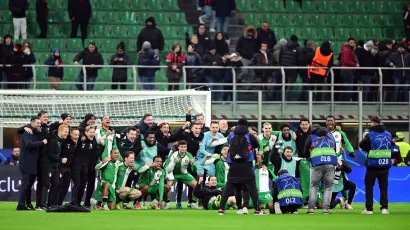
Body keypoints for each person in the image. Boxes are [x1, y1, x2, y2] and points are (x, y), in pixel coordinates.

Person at [218, 118, 268, 215]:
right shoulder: (249, 135)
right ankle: (257, 209)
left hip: (233, 165)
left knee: (230, 188)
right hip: (246, 165)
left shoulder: (231, 135)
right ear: (246, 126)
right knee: (252, 189)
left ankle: (222, 209)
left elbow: (229, 143)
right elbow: (256, 145)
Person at [17, 110, 50, 210]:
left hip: (32, 163)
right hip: (27, 163)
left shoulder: (36, 133)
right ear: (32, 123)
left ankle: (27, 204)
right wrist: (42, 142)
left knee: (28, 185)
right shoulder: (28, 132)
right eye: (37, 123)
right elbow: (29, 144)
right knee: (26, 184)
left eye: (39, 123)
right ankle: (20, 205)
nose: (39, 124)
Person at [359, 116, 392, 215]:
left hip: (373, 164)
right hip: (385, 164)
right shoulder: (389, 134)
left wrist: (368, 147)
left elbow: (362, 145)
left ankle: (369, 209)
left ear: (372, 123)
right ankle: (384, 208)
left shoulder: (370, 135)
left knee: (369, 186)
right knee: (383, 187)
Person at [304, 127, 337, 214]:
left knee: (314, 187)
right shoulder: (331, 137)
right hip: (330, 164)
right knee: (328, 187)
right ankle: (326, 210)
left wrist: (308, 157)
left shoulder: (311, 137)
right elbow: (335, 149)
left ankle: (311, 209)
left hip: (316, 164)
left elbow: (305, 150)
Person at [41, 124, 69, 208]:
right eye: (65, 132)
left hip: (55, 166)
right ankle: (43, 204)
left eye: (67, 132)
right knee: (46, 184)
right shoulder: (53, 140)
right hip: (48, 165)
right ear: (60, 131)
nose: (66, 134)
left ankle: (51, 204)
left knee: (56, 184)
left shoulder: (60, 141)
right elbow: (50, 154)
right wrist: (61, 160)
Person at [165, 140, 198, 209]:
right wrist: (173, 162)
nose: (183, 148)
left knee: (196, 185)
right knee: (168, 186)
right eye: (181, 147)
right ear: (178, 147)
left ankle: (192, 203)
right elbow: (168, 169)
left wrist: (193, 164)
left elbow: (194, 170)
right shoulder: (174, 155)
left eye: (185, 147)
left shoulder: (189, 155)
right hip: (173, 174)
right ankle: (167, 203)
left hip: (184, 174)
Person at [70, 126, 98, 207]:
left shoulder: (91, 143)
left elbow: (96, 152)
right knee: (77, 183)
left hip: (85, 167)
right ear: (86, 133)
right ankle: (73, 202)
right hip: (76, 166)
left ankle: (78, 203)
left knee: (82, 185)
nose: (92, 134)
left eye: (93, 132)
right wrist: (81, 135)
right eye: (91, 132)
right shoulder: (80, 139)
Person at [57, 128, 80, 205]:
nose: (77, 136)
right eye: (75, 134)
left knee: (66, 187)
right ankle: (54, 203)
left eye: (78, 135)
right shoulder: (65, 141)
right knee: (59, 185)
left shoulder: (77, 143)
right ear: (71, 134)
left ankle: (59, 203)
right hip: (61, 166)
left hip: (69, 168)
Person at [341, 37, 359, 101]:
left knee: (348, 86)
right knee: (348, 87)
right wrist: (355, 64)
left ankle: (346, 100)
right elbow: (346, 61)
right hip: (347, 71)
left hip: (348, 70)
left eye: (353, 43)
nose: (352, 44)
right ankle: (346, 101)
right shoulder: (347, 50)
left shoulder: (349, 50)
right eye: (351, 42)